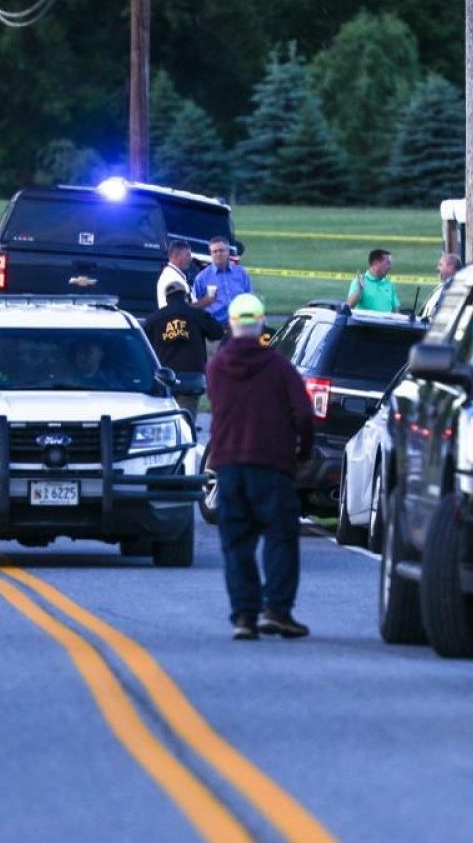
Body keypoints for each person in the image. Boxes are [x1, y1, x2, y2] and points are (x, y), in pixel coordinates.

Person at [206, 294, 314, 641]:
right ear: (262, 324)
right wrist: (302, 453)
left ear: (232, 324)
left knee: (236, 544)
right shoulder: (279, 367)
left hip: (229, 466)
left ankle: (244, 616)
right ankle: (277, 611)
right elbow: (303, 414)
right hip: (272, 464)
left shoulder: (217, 367)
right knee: (280, 539)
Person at [142, 278, 223, 419]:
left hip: (164, 379)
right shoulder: (197, 315)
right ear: (185, 296)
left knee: (166, 420)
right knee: (187, 421)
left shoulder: (153, 320)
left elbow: (144, 346)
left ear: (166, 299)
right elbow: (217, 332)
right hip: (191, 379)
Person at [193, 236, 252, 332]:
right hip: (215, 330)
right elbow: (194, 306)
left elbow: (249, 298)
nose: (218, 254)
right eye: (214, 251)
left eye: (221, 250)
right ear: (211, 254)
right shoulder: (202, 278)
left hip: (240, 328)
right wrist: (206, 300)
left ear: (228, 252)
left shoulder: (241, 273)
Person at [156, 240, 213, 310]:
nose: (190, 259)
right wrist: (205, 301)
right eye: (188, 255)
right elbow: (182, 308)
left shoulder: (176, 275)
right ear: (176, 256)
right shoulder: (171, 278)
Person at [347, 248, 400, 313]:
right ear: (376, 264)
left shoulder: (390, 284)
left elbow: (396, 311)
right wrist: (359, 290)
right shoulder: (360, 281)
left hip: (386, 323)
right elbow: (349, 306)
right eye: (387, 263)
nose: (390, 267)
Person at [422, 252, 462, 320]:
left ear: (450, 268)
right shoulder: (440, 286)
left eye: (440, 265)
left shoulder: (456, 289)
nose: (437, 268)